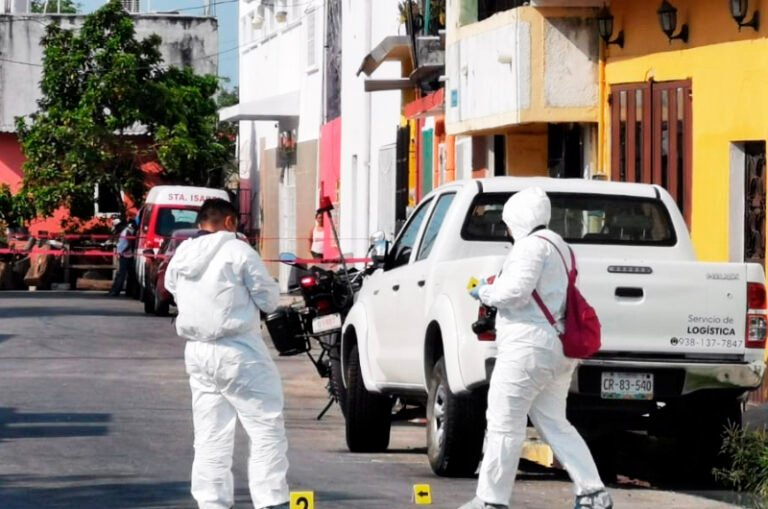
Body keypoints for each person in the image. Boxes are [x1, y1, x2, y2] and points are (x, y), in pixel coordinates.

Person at [461, 187, 612, 509]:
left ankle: (491, 501)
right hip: (557, 347)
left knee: (504, 422)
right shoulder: (561, 246)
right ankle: (593, 493)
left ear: (516, 218)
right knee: (556, 423)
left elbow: (515, 293)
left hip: (527, 346)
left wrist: (485, 292)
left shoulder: (529, 247)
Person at [164, 198, 290, 509]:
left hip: (197, 352)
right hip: (238, 350)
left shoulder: (182, 253)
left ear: (200, 223)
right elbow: (269, 299)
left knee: (210, 433)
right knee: (265, 426)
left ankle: (211, 502)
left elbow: (172, 287)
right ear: (230, 222)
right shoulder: (238, 251)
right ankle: (272, 500)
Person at [108, 218, 136, 297]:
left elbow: (129, 244)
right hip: (124, 254)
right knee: (124, 274)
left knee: (121, 274)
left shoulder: (126, 231)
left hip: (126, 255)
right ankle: (118, 290)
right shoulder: (123, 232)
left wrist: (123, 251)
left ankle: (116, 291)